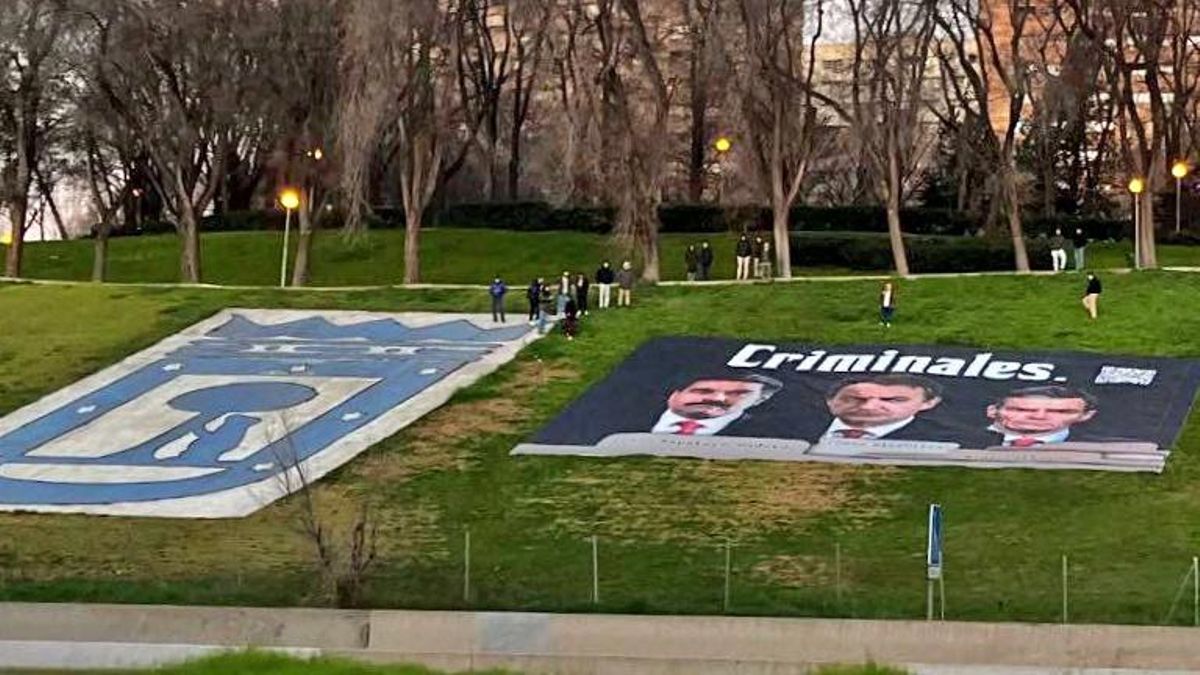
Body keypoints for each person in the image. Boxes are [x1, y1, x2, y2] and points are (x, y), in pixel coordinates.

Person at [819, 375, 944, 441]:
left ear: (928, 403)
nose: (868, 407)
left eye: (894, 400)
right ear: (830, 400)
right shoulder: (801, 425)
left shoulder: (945, 437)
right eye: (854, 399)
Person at [651, 374, 784, 436]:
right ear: (674, 393)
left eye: (738, 393)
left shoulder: (770, 431)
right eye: (704, 391)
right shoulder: (633, 413)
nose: (718, 399)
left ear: (759, 400)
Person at [985, 386, 1099, 447]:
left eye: (1060, 412)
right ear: (992, 411)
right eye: (1021, 410)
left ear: (1086, 415)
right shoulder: (967, 439)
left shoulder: (1100, 446)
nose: (1039, 417)